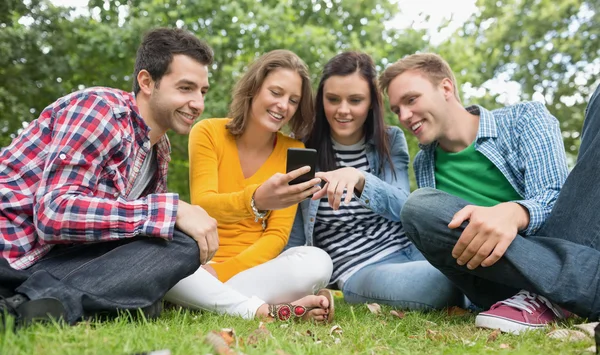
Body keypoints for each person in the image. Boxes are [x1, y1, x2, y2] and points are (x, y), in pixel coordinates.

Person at [0, 28, 219, 328]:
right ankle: (31, 307)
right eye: (185, 88)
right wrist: (171, 209)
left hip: (48, 269)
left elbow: (138, 238)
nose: (198, 103)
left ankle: (37, 305)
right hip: (13, 255)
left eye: (202, 91)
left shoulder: (160, 151)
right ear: (146, 81)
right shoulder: (101, 109)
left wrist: (183, 268)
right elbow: (53, 214)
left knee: (182, 244)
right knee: (172, 235)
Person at [379, 52, 579, 334]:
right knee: (418, 208)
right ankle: (520, 302)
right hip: (495, 283)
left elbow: (560, 202)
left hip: (554, 256)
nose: (404, 116)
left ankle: (553, 296)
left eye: (411, 100)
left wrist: (514, 213)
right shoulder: (424, 161)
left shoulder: (523, 120)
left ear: (446, 88)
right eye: (397, 110)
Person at [165, 50, 335, 322]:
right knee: (161, 261)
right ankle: (270, 308)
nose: (283, 106)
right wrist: (256, 200)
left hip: (252, 271)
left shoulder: (294, 150)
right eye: (276, 93)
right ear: (254, 88)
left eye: (293, 100)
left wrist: (221, 275)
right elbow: (205, 206)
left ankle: (207, 300)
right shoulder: (208, 132)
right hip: (198, 263)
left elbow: (277, 236)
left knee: (317, 261)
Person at [284, 51, 463, 310]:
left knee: (466, 265)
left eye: (355, 100)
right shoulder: (302, 146)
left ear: (371, 103)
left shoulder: (390, 140)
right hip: (360, 268)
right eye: (333, 99)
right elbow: (292, 228)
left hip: (411, 250)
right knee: (441, 282)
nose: (342, 110)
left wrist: (360, 179)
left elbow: (403, 207)